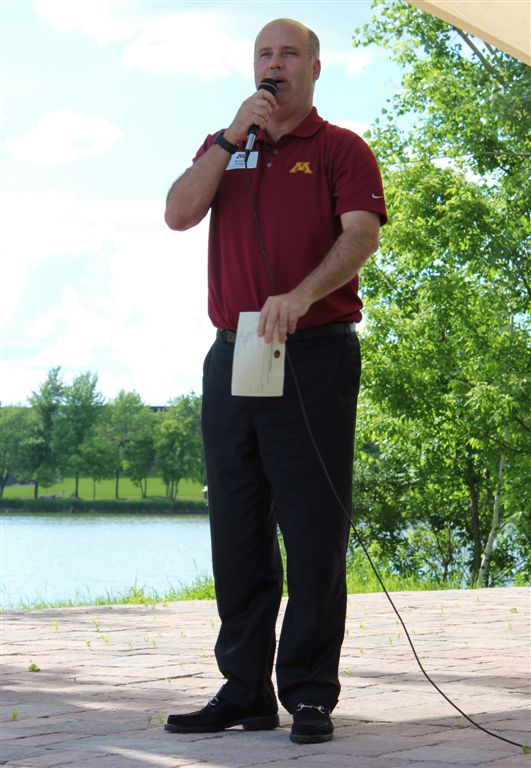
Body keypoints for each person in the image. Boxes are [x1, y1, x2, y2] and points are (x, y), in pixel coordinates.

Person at [163, 18, 387, 744]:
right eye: (264, 54)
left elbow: (360, 234)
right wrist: (230, 137)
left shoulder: (340, 149)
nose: (275, 64)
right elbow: (178, 213)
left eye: (289, 54)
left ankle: (310, 694)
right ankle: (244, 691)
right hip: (233, 355)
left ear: (315, 69)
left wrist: (301, 294)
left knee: (312, 530)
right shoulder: (226, 146)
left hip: (313, 353)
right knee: (237, 529)